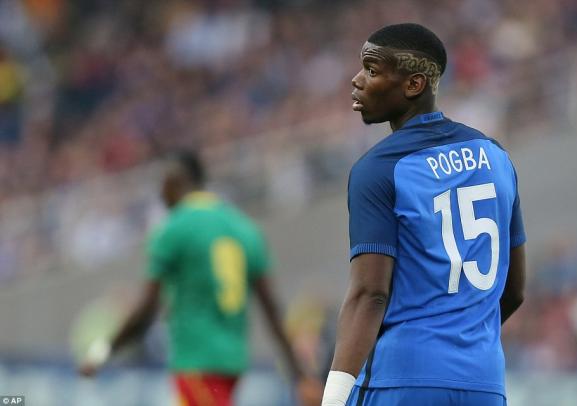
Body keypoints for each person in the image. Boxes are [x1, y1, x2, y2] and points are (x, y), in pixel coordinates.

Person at [322, 23, 526, 406]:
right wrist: (461, 340)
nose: (356, 80)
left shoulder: (380, 167)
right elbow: (514, 290)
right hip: (484, 384)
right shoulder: (497, 158)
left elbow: (370, 294)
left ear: (414, 85)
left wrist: (331, 399)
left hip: (403, 378)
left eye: (371, 69)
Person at [78, 150, 322, 406]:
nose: (160, 194)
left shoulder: (172, 229)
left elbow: (146, 309)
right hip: (232, 362)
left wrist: (101, 352)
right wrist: (300, 374)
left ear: (176, 179)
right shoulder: (245, 229)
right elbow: (272, 309)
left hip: (197, 363)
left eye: (162, 183)